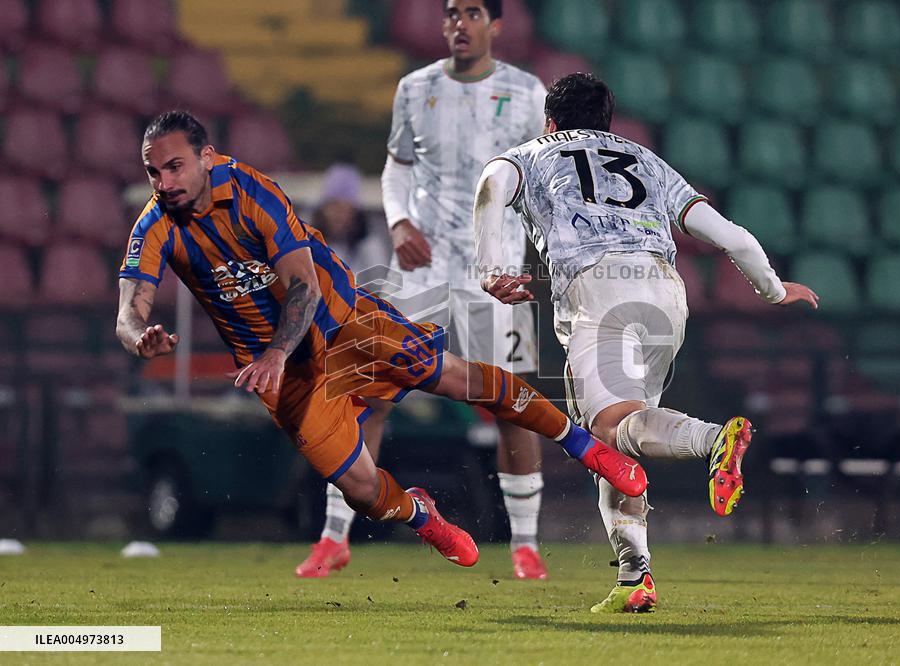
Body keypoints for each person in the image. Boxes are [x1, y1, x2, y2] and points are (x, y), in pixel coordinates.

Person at [115, 110, 648, 573]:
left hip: (345, 325)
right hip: (287, 379)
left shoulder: (252, 191)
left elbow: (301, 283)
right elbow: (129, 308)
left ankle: (585, 447)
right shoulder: (156, 223)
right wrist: (141, 335)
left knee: (460, 378)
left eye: (173, 167)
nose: (163, 182)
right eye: (153, 173)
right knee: (363, 492)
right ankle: (420, 513)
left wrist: (275, 350)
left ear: (206, 156)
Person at [473, 73, 820, 612]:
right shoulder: (646, 160)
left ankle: (713, 440)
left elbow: (491, 189)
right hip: (664, 291)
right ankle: (636, 577)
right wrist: (773, 290)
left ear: (550, 121)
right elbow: (731, 236)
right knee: (620, 442)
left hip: (600, 290)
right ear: (607, 123)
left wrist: (490, 269)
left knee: (609, 427)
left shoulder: (530, 154)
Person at [298, 0, 552, 581]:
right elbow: (397, 170)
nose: (459, 23)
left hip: (494, 271)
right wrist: (398, 223)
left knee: (510, 405)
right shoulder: (414, 89)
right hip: (423, 267)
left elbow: (545, 176)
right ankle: (334, 536)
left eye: (472, 13)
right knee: (369, 395)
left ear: (496, 26)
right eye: (451, 14)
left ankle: (526, 544)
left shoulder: (529, 92)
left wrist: (538, 250)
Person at [311, 164, 389, 273]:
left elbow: (381, 283)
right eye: (333, 205)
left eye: (344, 208)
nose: (337, 214)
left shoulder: (370, 247)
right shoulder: (307, 243)